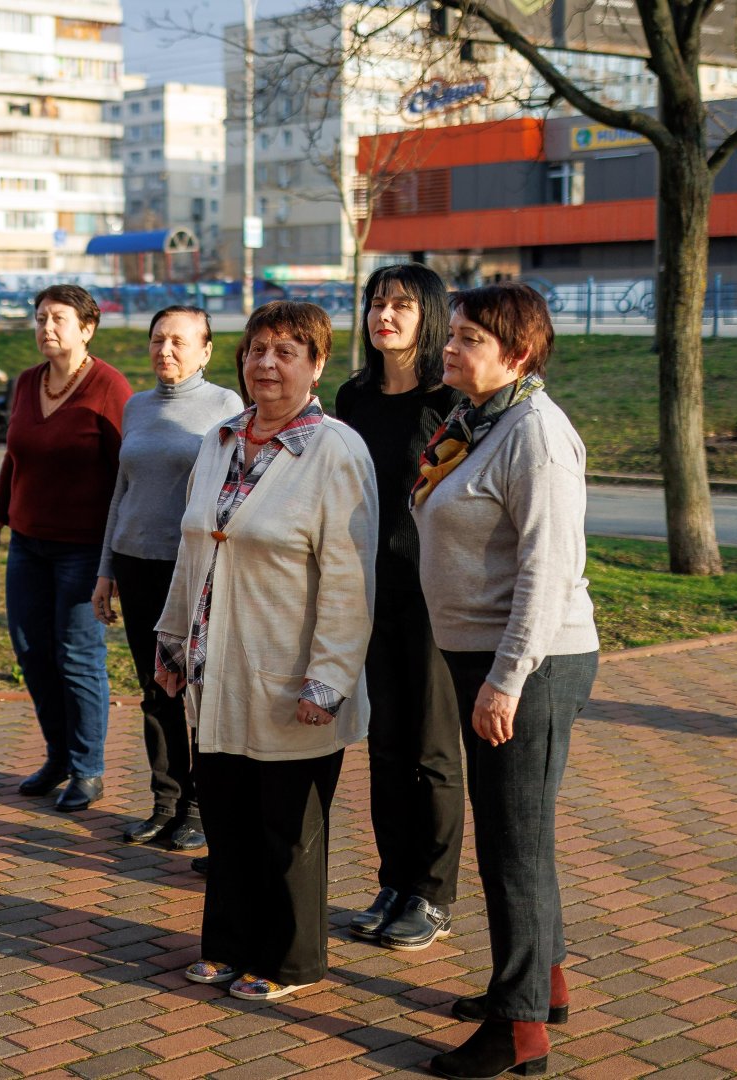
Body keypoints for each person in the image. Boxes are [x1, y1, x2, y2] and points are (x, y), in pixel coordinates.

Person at [155, 301, 378, 1002]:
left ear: (316, 365)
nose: (267, 364)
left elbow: (351, 576)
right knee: (226, 818)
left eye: (286, 351)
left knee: (287, 827)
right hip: (213, 666)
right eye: (256, 350)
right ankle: (226, 944)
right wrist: (170, 637)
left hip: (290, 672)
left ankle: (288, 960)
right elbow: (190, 549)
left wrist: (329, 679)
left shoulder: (335, 450)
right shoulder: (219, 439)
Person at [414, 283, 597, 1080]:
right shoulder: (474, 420)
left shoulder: (536, 436)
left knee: (512, 845)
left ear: (516, 355)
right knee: (518, 834)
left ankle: (517, 1029)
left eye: (467, 339)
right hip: (482, 653)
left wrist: (506, 679)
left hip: (528, 661)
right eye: (450, 334)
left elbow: (546, 571)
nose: (449, 348)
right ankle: (539, 983)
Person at [334, 264, 467, 952]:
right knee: (383, 745)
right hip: (365, 591)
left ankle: (432, 894)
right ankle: (394, 879)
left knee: (432, 748)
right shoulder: (352, 397)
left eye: (400, 305)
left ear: (430, 316)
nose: (383, 314)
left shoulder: (450, 402)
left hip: (432, 596)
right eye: (376, 303)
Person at [91, 307, 242, 853]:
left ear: (205, 350)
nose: (166, 351)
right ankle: (165, 802)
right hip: (135, 563)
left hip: (193, 570)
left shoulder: (226, 405)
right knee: (155, 691)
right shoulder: (135, 407)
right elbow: (120, 493)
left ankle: (200, 808)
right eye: (158, 340)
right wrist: (106, 569)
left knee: (197, 689)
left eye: (180, 341)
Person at [0, 285, 133, 812]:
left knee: (78, 657)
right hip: (27, 544)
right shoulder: (26, 383)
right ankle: (59, 757)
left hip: (83, 550)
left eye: (58, 319)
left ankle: (89, 769)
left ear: (86, 328)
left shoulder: (109, 387)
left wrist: (112, 562)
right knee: (32, 652)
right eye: (40, 318)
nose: (46, 327)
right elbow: (13, 458)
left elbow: (124, 477)